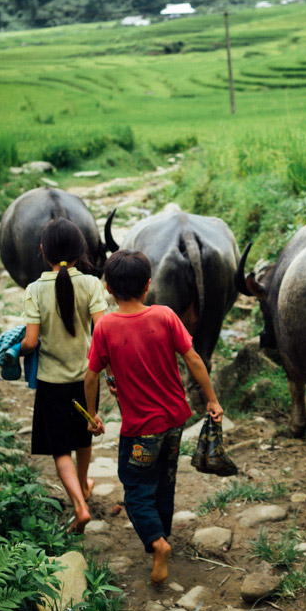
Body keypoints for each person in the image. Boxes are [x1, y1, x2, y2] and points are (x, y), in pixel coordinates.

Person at [84, 248, 223, 585]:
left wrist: (91, 414)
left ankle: (157, 544)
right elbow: (193, 360)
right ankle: (161, 533)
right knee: (165, 480)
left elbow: (90, 376)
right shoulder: (165, 315)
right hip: (175, 422)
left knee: (135, 488)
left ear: (107, 289)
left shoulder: (105, 327)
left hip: (140, 430)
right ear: (148, 286)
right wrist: (213, 400)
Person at [20, 217, 108, 533]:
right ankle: (84, 484)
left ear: (43, 251)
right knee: (84, 434)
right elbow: (103, 330)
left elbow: (30, 342)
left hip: (51, 382)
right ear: (80, 250)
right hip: (86, 379)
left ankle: (80, 507)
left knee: (60, 449)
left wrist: (14, 350)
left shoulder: (34, 290)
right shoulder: (92, 284)